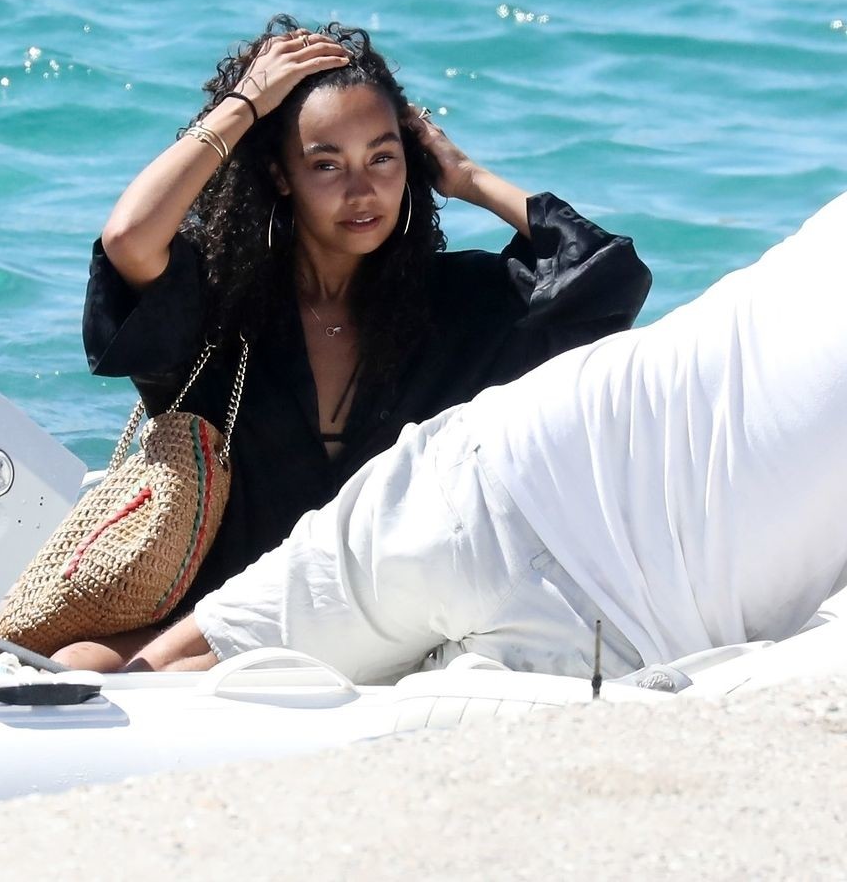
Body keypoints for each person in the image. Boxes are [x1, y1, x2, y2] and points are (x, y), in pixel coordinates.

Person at [55, 14, 650, 668]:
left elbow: (608, 278)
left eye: (383, 157)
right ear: (281, 174)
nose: (362, 191)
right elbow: (129, 238)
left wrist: (468, 176)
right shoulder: (221, 308)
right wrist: (243, 108)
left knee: (141, 672)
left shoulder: (458, 304)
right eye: (326, 164)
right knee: (82, 658)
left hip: (386, 629)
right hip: (219, 613)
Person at [112, 186, 847, 682]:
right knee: (223, 683)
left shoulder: (831, 235)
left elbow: (605, 275)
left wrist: (463, 176)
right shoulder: (253, 312)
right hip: (610, 614)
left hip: (497, 468)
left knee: (175, 664)